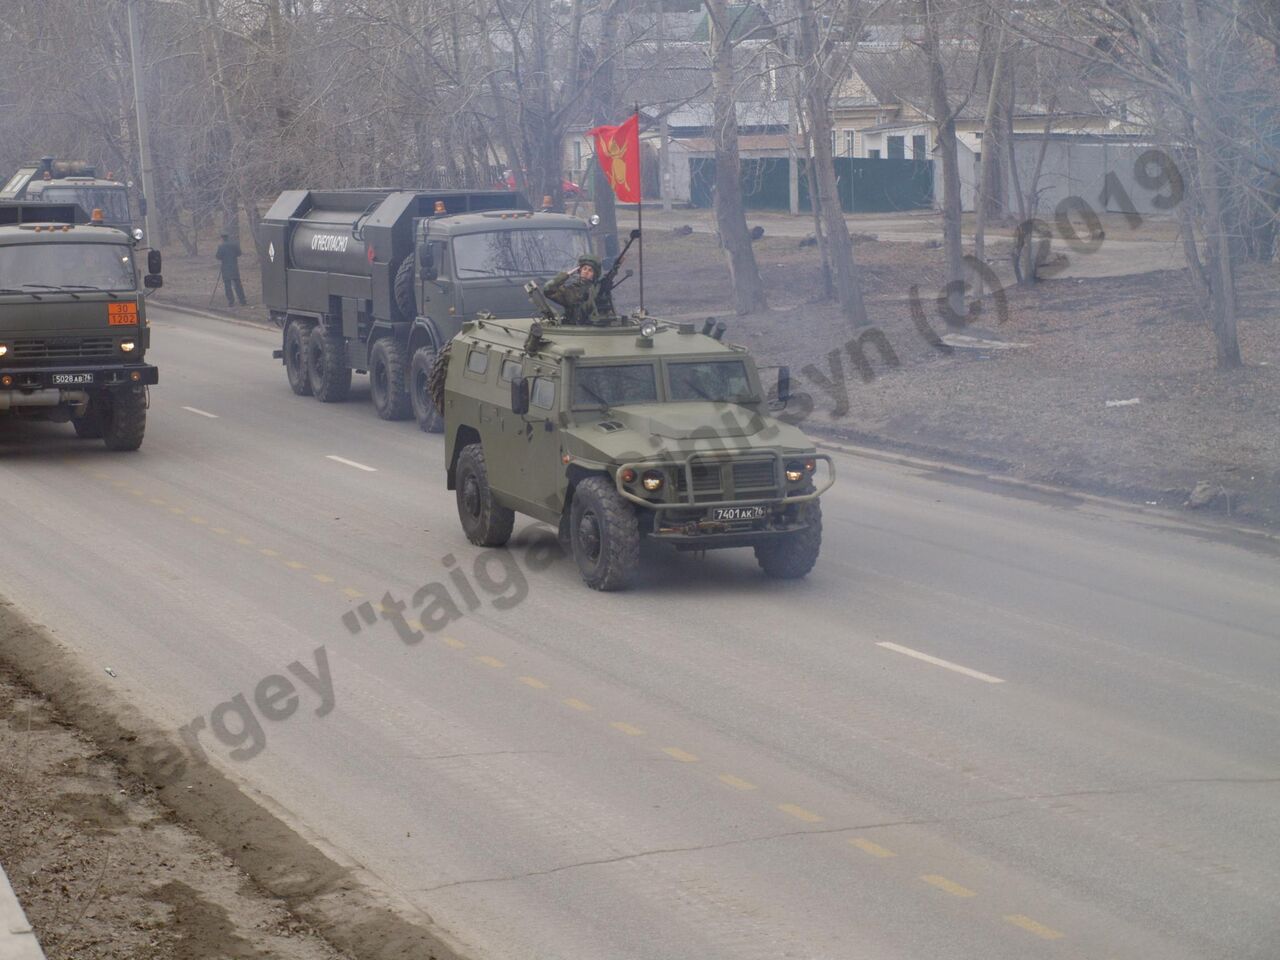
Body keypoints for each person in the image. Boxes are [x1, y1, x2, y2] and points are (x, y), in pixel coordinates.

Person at [543, 254, 610, 326]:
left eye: (590, 270)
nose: (586, 272)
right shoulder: (571, 291)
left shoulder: (598, 290)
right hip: (575, 331)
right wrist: (567, 274)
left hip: (595, 330)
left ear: (594, 275)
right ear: (580, 271)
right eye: (584, 269)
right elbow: (548, 288)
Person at [214, 233, 248, 307]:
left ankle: (231, 301)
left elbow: (218, 256)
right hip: (234, 267)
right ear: (228, 237)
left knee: (227, 286)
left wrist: (224, 257)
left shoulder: (221, 246)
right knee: (238, 285)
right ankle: (242, 301)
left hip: (225, 268)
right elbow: (239, 253)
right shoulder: (234, 245)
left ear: (222, 238)